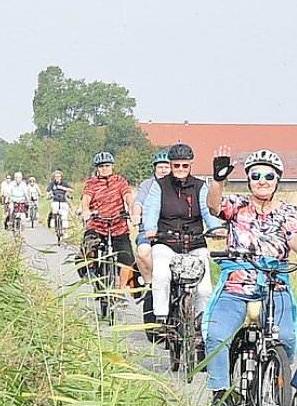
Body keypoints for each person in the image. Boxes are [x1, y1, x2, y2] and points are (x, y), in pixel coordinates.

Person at [201, 147, 297, 406]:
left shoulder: (288, 212)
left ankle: (274, 388)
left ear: (277, 180)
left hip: (274, 286)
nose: (262, 180)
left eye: (268, 176)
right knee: (216, 333)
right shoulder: (237, 205)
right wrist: (218, 178)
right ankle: (221, 396)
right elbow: (214, 206)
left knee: (284, 338)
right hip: (237, 286)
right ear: (248, 179)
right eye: (256, 175)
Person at [141, 142, 216, 343]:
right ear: (171, 165)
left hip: (195, 243)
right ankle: (162, 319)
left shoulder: (201, 186)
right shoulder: (160, 186)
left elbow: (208, 211)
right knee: (161, 275)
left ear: (190, 165)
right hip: (167, 241)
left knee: (204, 288)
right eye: (177, 166)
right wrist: (150, 228)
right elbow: (150, 209)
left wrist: (216, 229)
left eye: (185, 166)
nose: (180, 170)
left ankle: (201, 325)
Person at [77, 152, 136, 305]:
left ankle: (121, 292)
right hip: (97, 224)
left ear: (112, 167)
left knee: (126, 259)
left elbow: (128, 196)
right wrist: (85, 210)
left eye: (107, 166)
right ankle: (91, 271)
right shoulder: (92, 183)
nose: (104, 169)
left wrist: (131, 208)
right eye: (101, 166)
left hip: (118, 225)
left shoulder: (120, 181)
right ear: (97, 168)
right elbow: (86, 198)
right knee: (88, 245)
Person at [132, 151, 171, 329]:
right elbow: (138, 202)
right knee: (143, 251)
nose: (163, 170)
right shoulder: (148, 185)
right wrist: (136, 214)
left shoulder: (176, 186)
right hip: (149, 231)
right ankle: (149, 283)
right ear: (154, 168)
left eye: (166, 166)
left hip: (171, 233)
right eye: (160, 166)